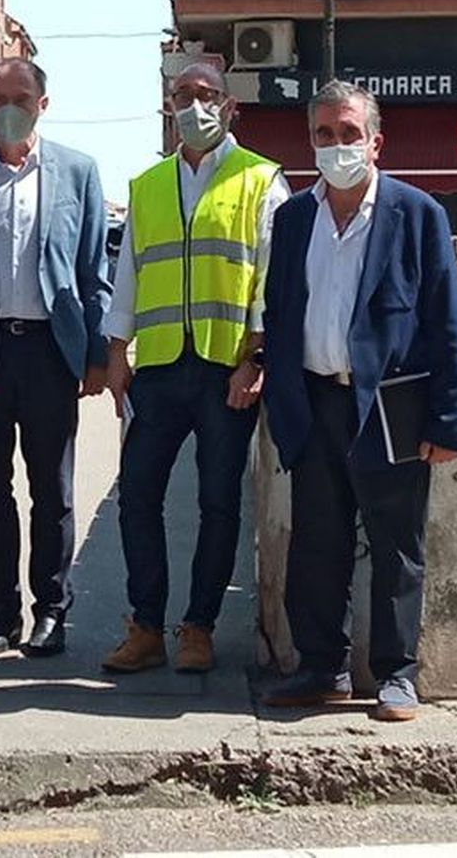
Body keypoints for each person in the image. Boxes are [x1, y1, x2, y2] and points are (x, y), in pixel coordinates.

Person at [260, 80, 457, 720]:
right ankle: (320, 666)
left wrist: (449, 420)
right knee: (316, 543)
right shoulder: (293, 219)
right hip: (314, 403)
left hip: (389, 407)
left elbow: (447, 321)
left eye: (349, 133)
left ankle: (397, 674)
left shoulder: (417, 214)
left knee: (396, 544)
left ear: (376, 142)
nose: (337, 146)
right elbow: (280, 311)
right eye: (324, 134)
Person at [101, 63, 290, 675]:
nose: (195, 106)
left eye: (207, 96)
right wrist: (116, 353)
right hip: (158, 366)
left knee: (218, 501)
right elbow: (129, 272)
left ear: (230, 106)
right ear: (169, 104)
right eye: (184, 95)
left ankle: (198, 628)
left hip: (223, 367)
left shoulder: (260, 179)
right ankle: (145, 626)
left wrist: (255, 359)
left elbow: (272, 278)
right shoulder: (149, 184)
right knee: (137, 496)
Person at [0, 58, 112, 658]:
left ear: (43, 104)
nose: (10, 108)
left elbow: (94, 272)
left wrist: (95, 354)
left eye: (22, 98)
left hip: (50, 354)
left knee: (53, 493)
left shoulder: (78, 173)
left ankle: (51, 612)